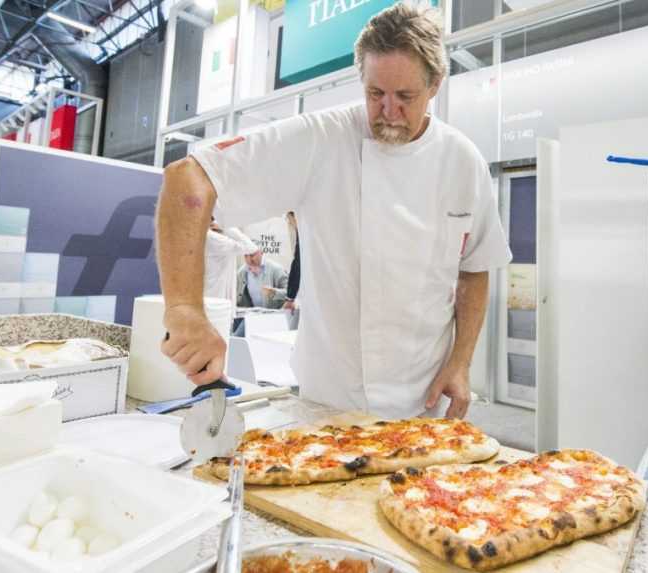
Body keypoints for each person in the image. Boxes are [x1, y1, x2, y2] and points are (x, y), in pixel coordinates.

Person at [155, 3, 511, 420]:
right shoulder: (321, 140)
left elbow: (475, 269)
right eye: (375, 94)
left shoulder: (462, 162)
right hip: (327, 403)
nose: (389, 111)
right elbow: (187, 179)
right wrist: (184, 310)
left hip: (425, 404)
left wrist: (461, 361)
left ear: (434, 86)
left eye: (405, 97)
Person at [204, 218, 258, 304]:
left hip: (210, 297)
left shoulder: (201, 236)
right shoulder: (214, 239)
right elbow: (251, 247)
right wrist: (226, 226)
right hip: (217, 300)